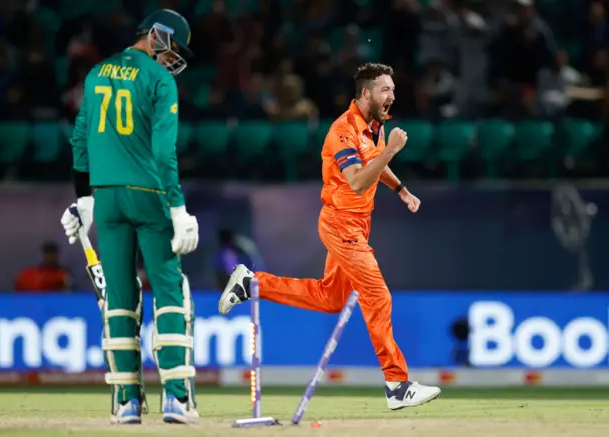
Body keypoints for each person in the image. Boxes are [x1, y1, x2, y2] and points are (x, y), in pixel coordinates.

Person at [219, 63, 441, 411]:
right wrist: (392, 149)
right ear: (365, 93)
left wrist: (401, 189)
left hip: (356, 224)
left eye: (393, 90)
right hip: (341, 225)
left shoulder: (374, 127)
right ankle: (397, 385)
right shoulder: (342, 130)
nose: (392, 96)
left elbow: (375, 166)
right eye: (386, 90)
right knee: (377, 296)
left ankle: (252, 284)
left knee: (331, 298)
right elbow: (356, 179)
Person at [59, 9, 200, 425]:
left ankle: (126, 403)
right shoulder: (160, 80)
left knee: (119, 298)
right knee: (171, 292)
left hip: (107, 200)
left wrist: (84, 201)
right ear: (156, 35)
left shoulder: (98, 72)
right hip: (149, 195)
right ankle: (176, 399)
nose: (174, 56)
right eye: (172, 45)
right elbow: (162, 152)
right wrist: (178, 208)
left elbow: (80, 138)